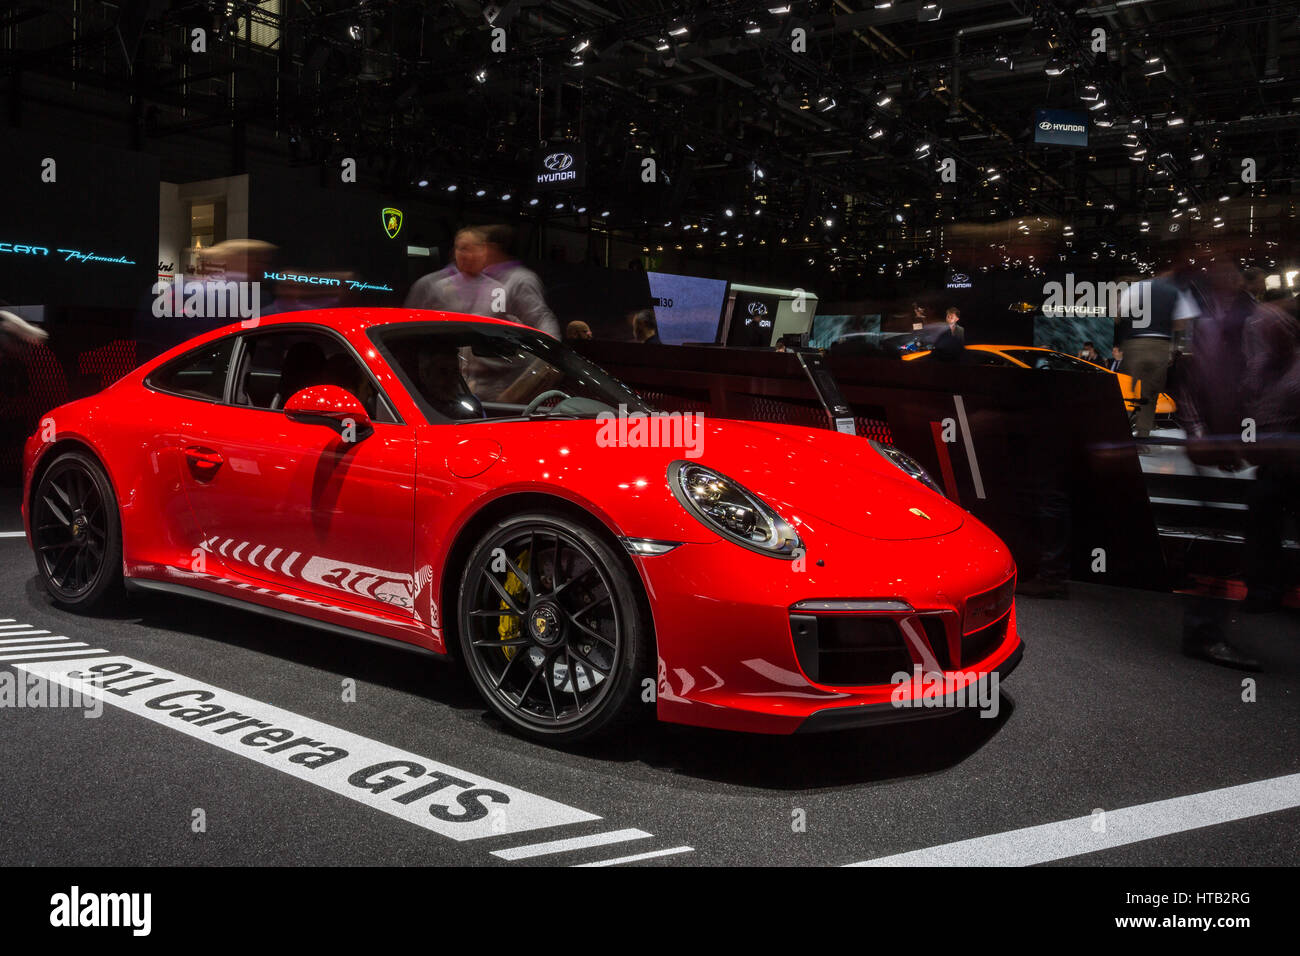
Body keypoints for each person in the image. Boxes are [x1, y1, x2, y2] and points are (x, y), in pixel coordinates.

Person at [1117, 271, 1199, 438]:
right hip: (1159, 346)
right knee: (1150, 394)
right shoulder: (1176, 290)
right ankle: (1142, 437)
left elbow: (1119, 315)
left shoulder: (1136, 288)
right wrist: (1163, 322)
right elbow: (1181, 323)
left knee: (1126, 390)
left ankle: (1117, 433)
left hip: (1134, 344)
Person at [480, 224, 561, 339]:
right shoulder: (481, 278)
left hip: (501, 355)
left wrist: (551, 353)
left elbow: (541, 320)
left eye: (483, 247)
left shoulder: (520, 280)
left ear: (492, 248)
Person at [405, 227, 503, 317]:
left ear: (485, 251)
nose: (469, 255)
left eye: (475, 248)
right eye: (463, 249)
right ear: (455, 252)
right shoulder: (432, 285)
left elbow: (502, 324)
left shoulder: (497, 289)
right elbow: (410, 322)